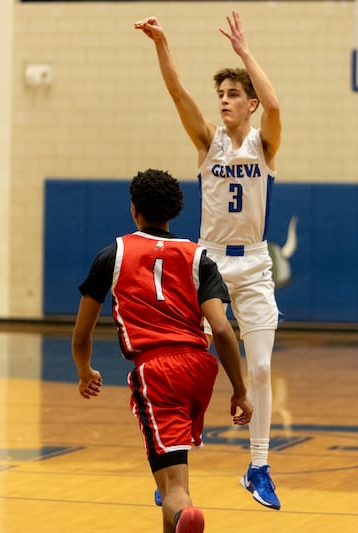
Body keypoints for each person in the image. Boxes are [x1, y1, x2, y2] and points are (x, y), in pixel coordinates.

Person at [134, 11, 283, 510]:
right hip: (211, 263)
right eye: (220, 94)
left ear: (250, 104)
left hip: (256, 264)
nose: (223, 100)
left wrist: (244, 53)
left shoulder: (265, 143)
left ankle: (258, 467)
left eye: (233, 94)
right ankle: (171, 470)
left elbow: (277, 103)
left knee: (259, 368)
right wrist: (162, 44)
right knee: (190, 367)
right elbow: (178, 93)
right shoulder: (207, 141)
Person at [71, 169, 253, 533]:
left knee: (175, 492)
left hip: (157, 371)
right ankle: (180, 514)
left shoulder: (114, 254)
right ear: (173, 212)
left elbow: (81, 335)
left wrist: (85, 371)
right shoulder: (198, 257)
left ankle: (188, 515)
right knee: (173, 475)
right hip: (200, 369)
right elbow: (221, 328)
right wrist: (241, 389)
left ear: (134, 209)